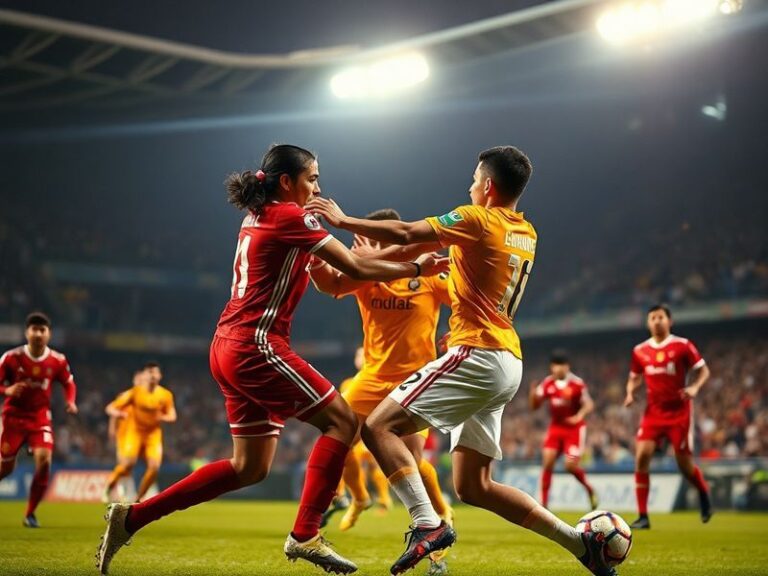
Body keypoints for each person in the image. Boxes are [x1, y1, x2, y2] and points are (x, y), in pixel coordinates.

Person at [96, 144, 448, 575]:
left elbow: (335, 281)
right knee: (342, 422)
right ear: (288, 181)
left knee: (250, 467)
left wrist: (396, 260)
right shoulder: (294, 217)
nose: (318, 186)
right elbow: (355, 268)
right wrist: (417, 268)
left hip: (226, 346)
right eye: (313, 178)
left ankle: (133, 517)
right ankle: (306, 535)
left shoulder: (261, 217)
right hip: (257, 345)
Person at [306, 145, 616, 576]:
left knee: (377, 427)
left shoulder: (476, 218)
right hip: (507, 360)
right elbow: (458, 273)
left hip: (477, 353)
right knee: (475, 485)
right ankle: (582, 545)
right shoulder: (525, 231)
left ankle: (426, 524)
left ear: (488, 187)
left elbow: (409, 232)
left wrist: (341, 221)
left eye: (473, 180)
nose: (469, 187)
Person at [310, 210, 454, 576]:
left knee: (414, 465)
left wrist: (458, 331)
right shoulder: (368, 277)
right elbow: (330, 282)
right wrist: (311, 254)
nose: (380, 246)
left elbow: (464, 300)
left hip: (414, 380)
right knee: (335, 433)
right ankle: (356, 498)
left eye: (386, 240)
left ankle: (437, 545)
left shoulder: (428, 274)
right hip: (371, 378)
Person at [624, 304, 712, 529]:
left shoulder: (682, 345)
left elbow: (704, 370)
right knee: (642, 456)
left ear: (669, 321)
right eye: (652, 317)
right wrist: (630, 392)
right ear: (647, 323)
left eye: (660, 317)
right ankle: (643, 516)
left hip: (679, 413)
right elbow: (634, 377)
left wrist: (694, 388)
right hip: (653, 413)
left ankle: (703, 491)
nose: (656, 321)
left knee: (684, 465)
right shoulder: (640, 350)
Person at [0, 311, 78, 528]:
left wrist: (70, 401)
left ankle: (30, 513)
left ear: (48, 334)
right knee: (5, 468)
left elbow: (69, 383)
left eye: (42, 330)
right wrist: (7, 390)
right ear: (27, 332)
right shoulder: (11, 358)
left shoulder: (57, 360)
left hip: (39, 418)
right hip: (13, 418)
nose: (38, 334)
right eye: (34, 329)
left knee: (44, 461)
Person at [529, 350, 598, 510]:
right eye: (556, 365)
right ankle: (544, 506)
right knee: (547, 462)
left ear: (567, 367)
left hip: (574, 429)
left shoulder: (577, 384)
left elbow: (589, 404)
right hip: (556, 427)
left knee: (570, 466)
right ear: (552, 367)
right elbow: (534, 406)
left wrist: (579, 416)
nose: (559, 368)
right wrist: (532, 394)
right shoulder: (547, 383)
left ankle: (590, 490)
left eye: (562, 365)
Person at [103, 363, 177, 503]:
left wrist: (163, 417)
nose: (153, 376)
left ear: (160, 376)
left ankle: (138, 498)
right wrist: (117, 416)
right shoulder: (134, 393)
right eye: (150, 372)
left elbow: (173, 415)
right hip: (134, 432)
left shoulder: (165, 395)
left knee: (154, 467)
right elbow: (110, 408)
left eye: (155, 373)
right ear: (145, 376)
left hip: (153, 435)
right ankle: (110, 485)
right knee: (127, 465)